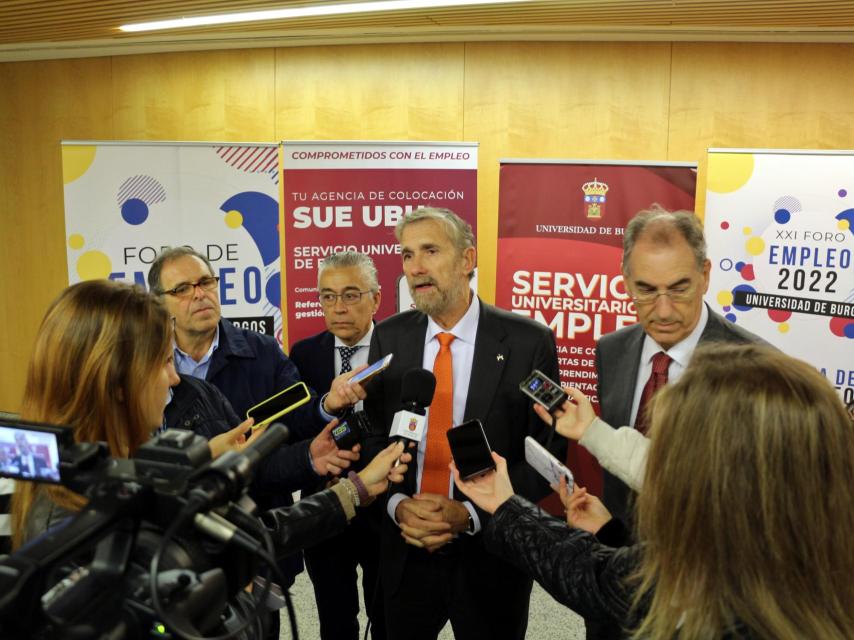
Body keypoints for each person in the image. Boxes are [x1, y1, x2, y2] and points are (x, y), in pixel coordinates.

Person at [454, 344, 854, 640]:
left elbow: (597, 577)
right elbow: (612, 574)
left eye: (671, 451)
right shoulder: (797, 570)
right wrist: (613, 534)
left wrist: (505, 506)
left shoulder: (706, 594)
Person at [364, 207, 565, 640]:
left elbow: (547, 459)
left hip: (491, 554)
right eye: (407, 255)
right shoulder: (389, 337)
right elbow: (374, 439)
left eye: (430, 251)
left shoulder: (528, 342)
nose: (415, 267)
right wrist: (399, 506)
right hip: (406, 541)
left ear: (467, 259)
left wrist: (471, 514)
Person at [10, 280, 261, 547]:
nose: (175, 379)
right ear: (118, 381)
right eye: (165, 362)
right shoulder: (73, 527)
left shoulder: (112, 477)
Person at [597, 206, 765, 522]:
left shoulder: (755, 367)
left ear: (705, 275)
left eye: (679, 289)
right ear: (627, 282)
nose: (662, 311)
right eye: (646, 290)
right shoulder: (611, 350)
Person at [290, 251, 386, 640]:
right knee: (334, 617)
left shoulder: (400, 347)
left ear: (376, 298)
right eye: (327, 297)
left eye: (350, 295)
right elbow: (296, 428)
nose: (338, 307)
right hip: (324, 506)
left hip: (384, 504)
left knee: (387, 617)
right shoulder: (303, 354)